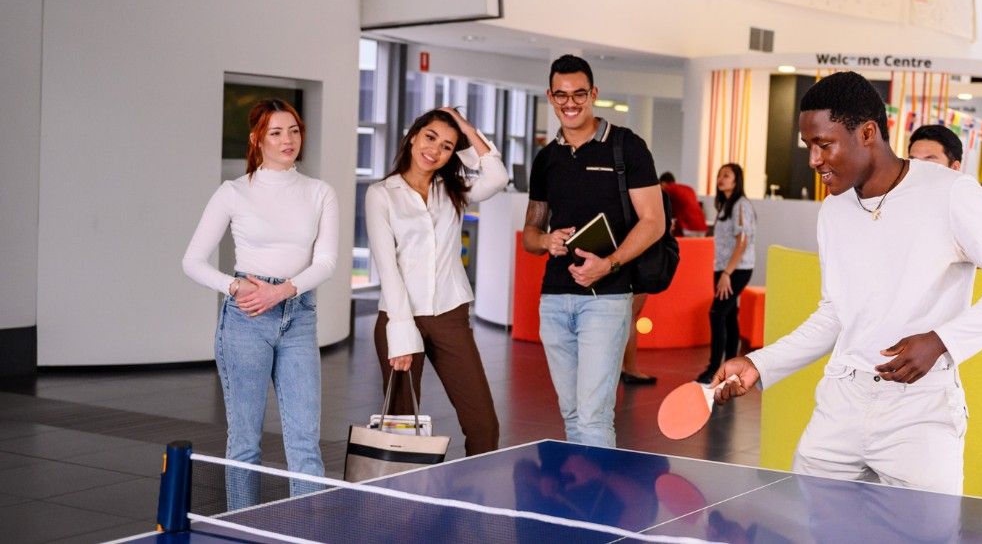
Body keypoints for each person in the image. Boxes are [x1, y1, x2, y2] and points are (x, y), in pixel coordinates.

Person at [711, 72, 982, 495]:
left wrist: (941, 340)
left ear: (868, 132)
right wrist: (760, 363)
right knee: (813, 530)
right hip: (841, 401)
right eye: (809, 146)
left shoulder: (952, 193)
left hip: (919, 410)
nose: (814, 160)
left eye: (824, 144)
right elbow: (835, 313)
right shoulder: (833, 211)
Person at [181, 99, 338, 505]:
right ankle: (242, 527)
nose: (288, 140)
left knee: (305, 442)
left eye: (294, 130)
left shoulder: (320, 192)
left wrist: (282, 290)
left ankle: (307, 529)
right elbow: (192, 261)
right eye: (276, 132)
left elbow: (326, 262)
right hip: (246, 318)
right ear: (257, 139)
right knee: (245, 440)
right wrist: (234, 288)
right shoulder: (233, 192)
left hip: (298, 315)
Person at [522, 55, 666, 447]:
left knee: (594, 417)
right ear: (550, 97)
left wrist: (610, 263)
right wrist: (546, 241)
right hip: (554, 301)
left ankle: (594, 510)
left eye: (579, 94)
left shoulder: (626, 146)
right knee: (573, 415)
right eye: (562, 95)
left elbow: (654, 221)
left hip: (606, 298)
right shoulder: (546, 158)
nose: (570, 103)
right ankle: (580, 500)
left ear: (594, 94)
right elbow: (530, 233)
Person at [366, 107, 508, 456]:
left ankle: (475, 503)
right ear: (413, 136)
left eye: (447, 146)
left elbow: (497, 175)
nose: (435, 150)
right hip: (400, 318)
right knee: (401, 428)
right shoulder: (381, 194)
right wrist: (401, 335)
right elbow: (388, 268)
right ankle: (400, 506)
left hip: (450, 315)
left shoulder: (456, 190)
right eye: (430, 137)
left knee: (483, 424)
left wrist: (462, 126)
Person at [696, 163, 757, 383]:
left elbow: (742, 242)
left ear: (736, 180)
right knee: (729, 315)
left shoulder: (741, 205)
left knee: (717, 313)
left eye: (726, 175)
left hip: (736, 270)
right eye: (719, 175)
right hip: (723, 268)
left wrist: (727, 274)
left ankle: (714, 369)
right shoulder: (725, 205)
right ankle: (731, 367)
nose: (721, 179)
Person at [908, 124, 982, 216]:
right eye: (913, 161)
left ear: (954, 167)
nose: (918, 168)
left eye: (929, 161)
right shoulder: (903, 196)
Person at [660, 172, 707, 237]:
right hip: (702, 226)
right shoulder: (689, 188)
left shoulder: (668, 188)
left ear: (663, 183)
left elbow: (661, 207)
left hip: (688, 227)